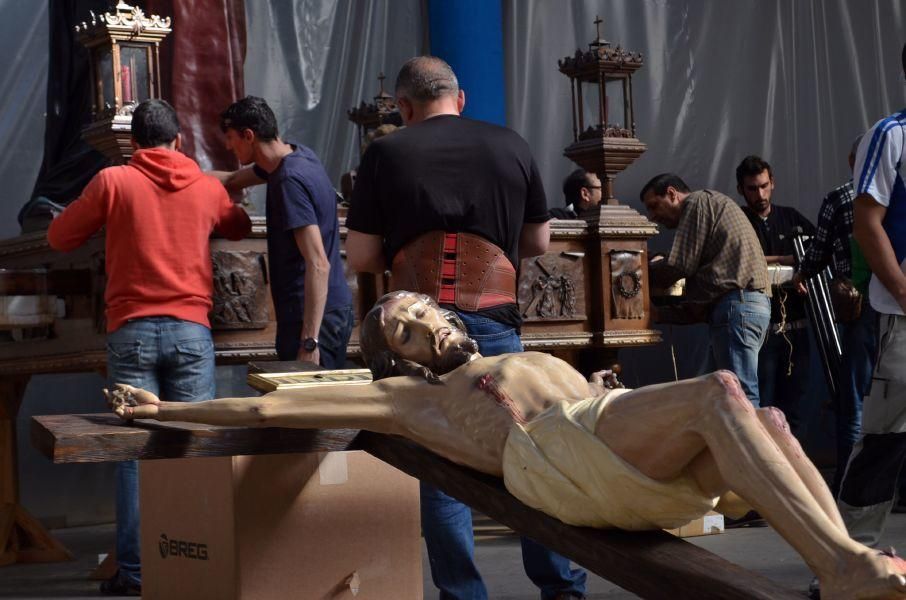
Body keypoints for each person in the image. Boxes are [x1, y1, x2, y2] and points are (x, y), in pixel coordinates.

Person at [108, 291, 906, 600]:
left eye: (421, 308)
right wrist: (166, 408)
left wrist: (596, 388)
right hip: (558, 460)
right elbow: (269, 415)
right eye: (403, 331)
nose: (423, 323)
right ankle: (840, 565)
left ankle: (836, 565)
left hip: (610, 437)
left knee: (767, 421)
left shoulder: (506, 351)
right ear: (399, 357)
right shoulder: (404, 398)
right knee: (724, 391)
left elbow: (600, 403)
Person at [345, 56, 586, 600]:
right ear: (461, 98)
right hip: (495, 321)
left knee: (441, 467)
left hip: (419, 334)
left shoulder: (384, 152)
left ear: (404, 107)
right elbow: (539, 244)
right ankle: (562, 589)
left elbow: (361, 255)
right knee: (531, 454)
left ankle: (462, 595)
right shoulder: (512, 145)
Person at [47, 99, 252, 596]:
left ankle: (138, 574)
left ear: (133, 143)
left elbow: (58, 237)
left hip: (132, 332)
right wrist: (223, 188)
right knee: (195, 446)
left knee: (136, 451)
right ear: (178, 140)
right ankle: (200, 562)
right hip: (190, 331)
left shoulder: (114, 182)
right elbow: (240, 227)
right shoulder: (203, 186)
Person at [212, 96, 354, 368]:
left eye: (231, 138)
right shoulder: (298, 156)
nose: (228, 146)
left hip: (313, 317)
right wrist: (180, 173)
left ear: (249, 135)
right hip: (326, 309)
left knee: (310, 406)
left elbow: (318, 264)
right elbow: (231, 179)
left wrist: (309, 342)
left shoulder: (289, 180)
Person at [836, 42, 906, 550]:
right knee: (886, 439)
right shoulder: (890, 135)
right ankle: (852, 556)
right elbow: (866, 223)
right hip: (901, 321)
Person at [793, 136, 879, 495]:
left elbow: (818, 254)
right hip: (898, 304)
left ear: (850, 161)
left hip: (861, 307)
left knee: (855, 398)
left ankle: (849, 483)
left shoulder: (840, 198)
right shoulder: (894, 193)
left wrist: (800, 276)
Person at [642, 173, 771, 408]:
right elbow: (702, 293)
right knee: (714, 398)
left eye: (654, 206)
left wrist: (638, 271)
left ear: (672, 193)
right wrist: (660, 314)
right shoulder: (712, 204)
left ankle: (749, 445)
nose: (653, 216)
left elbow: (680, 265)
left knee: (739, 398)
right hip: (743, 307)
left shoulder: (696, 202)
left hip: (736, 308)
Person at [735, 155, 816, 436]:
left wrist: (780, 263)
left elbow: (816, 254)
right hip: (761, 333)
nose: (760, 194)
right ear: (741, 190)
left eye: (764, 186)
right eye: (752, 189)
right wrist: (787, 260)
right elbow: (739, 261)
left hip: (796, 329)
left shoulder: (790, 217)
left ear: (773, 184)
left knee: (794, 407)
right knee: (760, 407)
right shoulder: (739, 221)